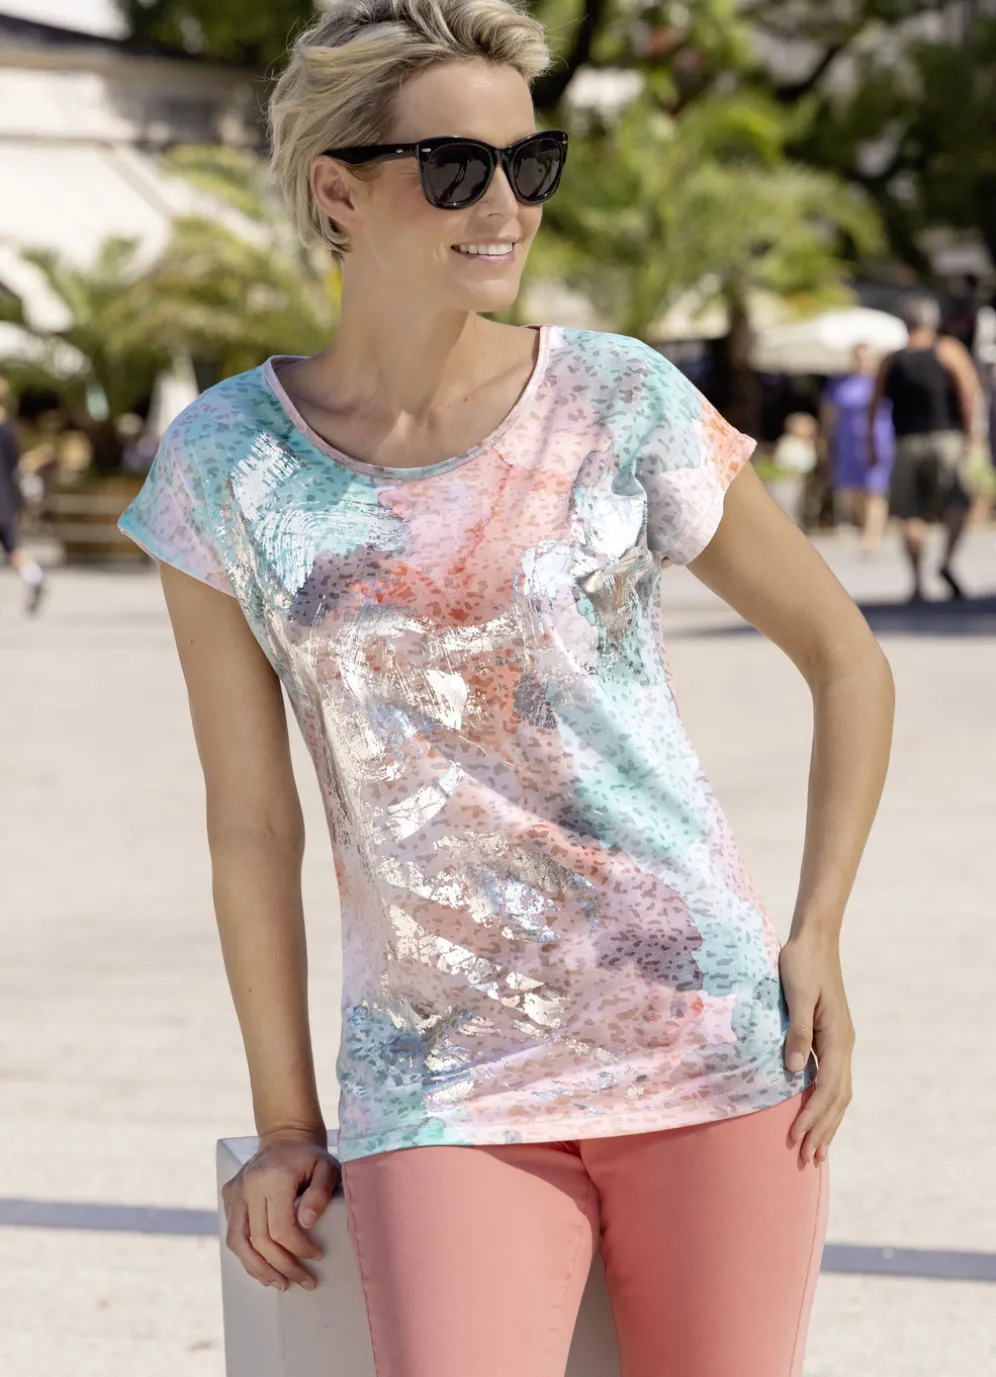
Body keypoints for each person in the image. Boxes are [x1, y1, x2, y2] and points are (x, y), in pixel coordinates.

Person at [117, 4, 894, 1375]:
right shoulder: (227, 461)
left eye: (530, 165)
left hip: (700, 1036)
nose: (505, 206)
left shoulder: (619, 402)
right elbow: (252, 822)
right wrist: (286, 1123)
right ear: (337, 194)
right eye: (455, 168)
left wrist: (818, 931)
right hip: (438, 1075)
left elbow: (848, 660)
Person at [870, 294, 982, 601]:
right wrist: (972, 436)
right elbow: (968, 393)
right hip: (946, 438)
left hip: (905, 441)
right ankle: (946, 561)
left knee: (910, 513)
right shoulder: (948, 350)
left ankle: (918, 582)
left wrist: (870, 443)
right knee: (956, 504)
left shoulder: (892, 360)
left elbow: (874, 404)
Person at [820, 344, 895, 556]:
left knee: (874, 490)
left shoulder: (882, 382)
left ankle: (871, 537)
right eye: (859, 357)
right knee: (853, 492)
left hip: (877, 442)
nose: (862, 361)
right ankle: (866, 529)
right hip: (848, 445)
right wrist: (825, 441)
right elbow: (828, 415)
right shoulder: (840, 384)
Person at [0, 377, 46, 615]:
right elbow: (15, 465)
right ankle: (34, 576)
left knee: (12, 545)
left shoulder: (6, 428)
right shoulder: (8, 427)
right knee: (12, 545)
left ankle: (34, 577)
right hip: (6, 497)